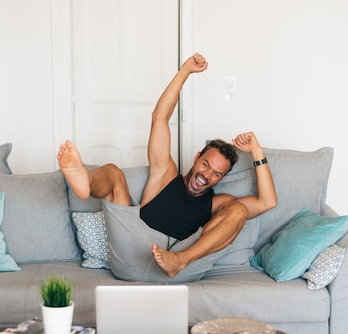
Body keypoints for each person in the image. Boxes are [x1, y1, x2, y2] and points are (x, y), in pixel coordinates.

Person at [58, 53, 277, 282]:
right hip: (134, 248)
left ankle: (181, 259)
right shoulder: (165, 174)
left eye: (216, 173)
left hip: (181, 259)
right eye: (206, 164)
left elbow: (267, 202)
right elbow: (159, 118)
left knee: (239, 211)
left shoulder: (216, 203)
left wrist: (257, 151)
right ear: (196, 157)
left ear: (221, 179)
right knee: (114, 172)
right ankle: (86, 183)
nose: (206, 175)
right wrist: (185, 72)